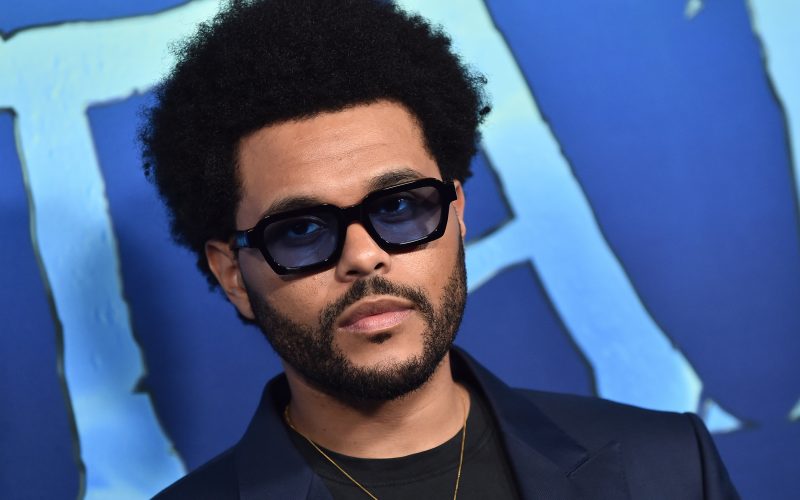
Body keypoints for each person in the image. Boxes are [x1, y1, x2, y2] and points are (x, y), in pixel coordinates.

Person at [140, 0, 739, 498]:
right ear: (233, 275)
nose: (364, 256)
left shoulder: (670, 468)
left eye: (399, 207)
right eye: (300, 230)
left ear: (457, 214)